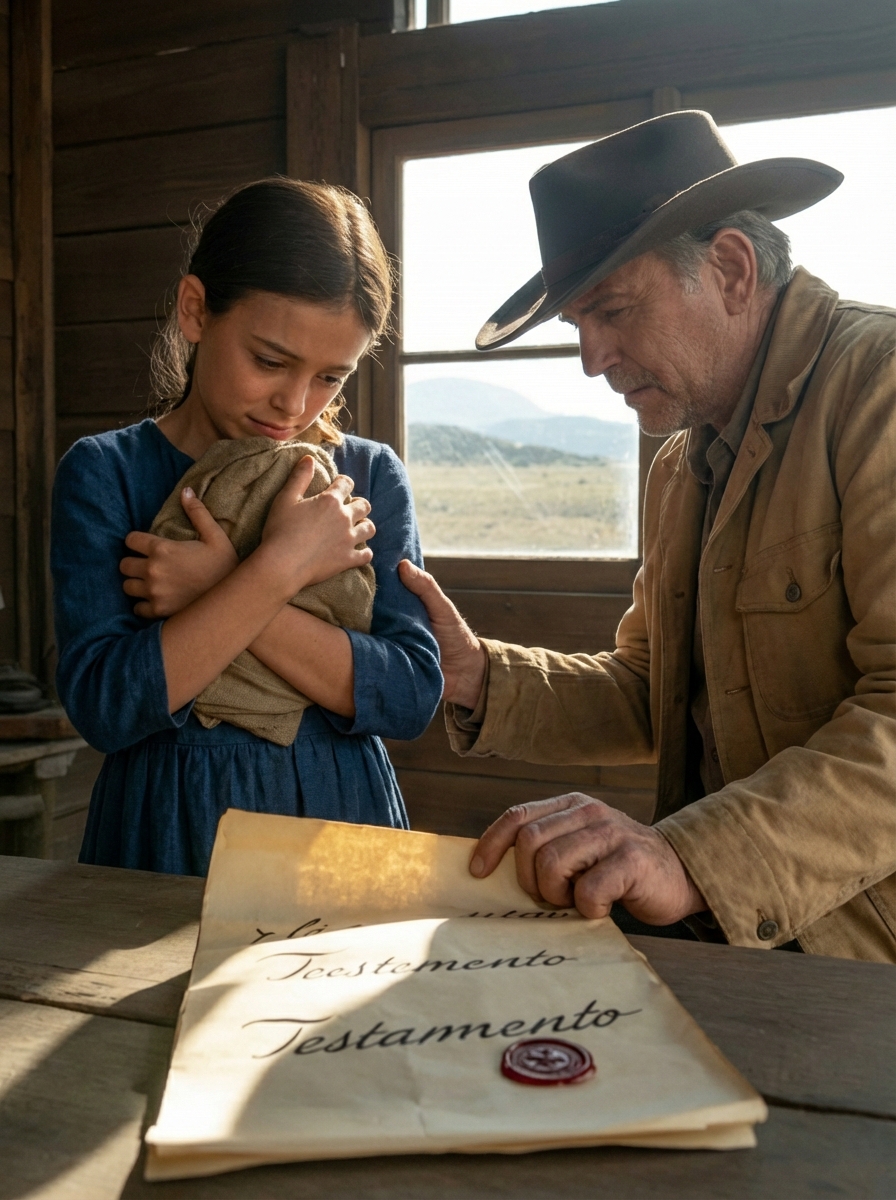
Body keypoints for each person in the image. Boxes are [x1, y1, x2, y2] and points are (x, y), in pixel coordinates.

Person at [400, 110, 895, 962]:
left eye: (615, 311)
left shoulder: (879, 392)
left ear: (732, 269)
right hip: (731, 946)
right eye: (578, 327)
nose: (593, 358)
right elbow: (649, 691)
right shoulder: (681, 466)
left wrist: (690, 855)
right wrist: (481, 674)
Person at [52, 178, 442, 876]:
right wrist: (278, 569)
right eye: (269, 360)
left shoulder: (369, 477)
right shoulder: (106, 472)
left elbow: (409, 694)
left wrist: (220, 584)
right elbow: (107, 706)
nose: (293, 403)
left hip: (341, 822)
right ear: (196, 310)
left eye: (331, 377)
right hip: (169, 829)